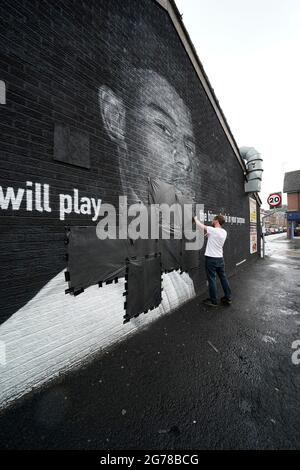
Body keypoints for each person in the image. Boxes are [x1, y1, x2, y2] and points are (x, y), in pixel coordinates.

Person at [0, 68, 198, 406]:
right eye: (163, 128)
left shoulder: (175, 268)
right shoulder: (82, 302)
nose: (183, 160)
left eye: (189, 146)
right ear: (114, 116)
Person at [194, 214, 232, 307]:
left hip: (211, 259)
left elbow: (202, 226)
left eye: (213, 219)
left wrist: (195, 219)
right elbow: (213, 234)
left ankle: (213, 301)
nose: (212, 221)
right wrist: (209, 235)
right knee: (223, 278)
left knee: (212, 279)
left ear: (216, 221)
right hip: (220, 259)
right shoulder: (224, 232)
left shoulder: (213, 230)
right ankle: (228, 298)